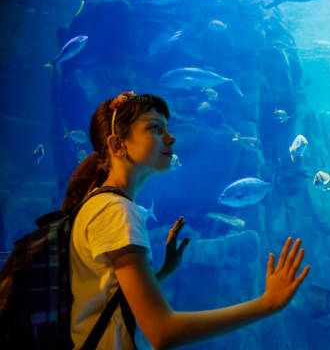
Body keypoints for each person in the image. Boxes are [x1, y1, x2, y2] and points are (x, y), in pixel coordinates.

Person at [63, 92, 310, 349]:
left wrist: (162, 273)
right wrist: (267, 303)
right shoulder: (116, 213)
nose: (170, 138)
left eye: (167, 129)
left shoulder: (100, 204)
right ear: (117, 146)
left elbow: (109, 299)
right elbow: (163, 332)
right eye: (155, 129)